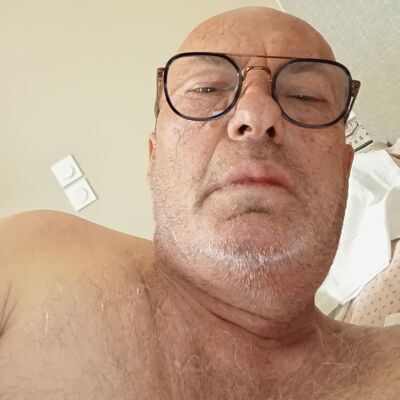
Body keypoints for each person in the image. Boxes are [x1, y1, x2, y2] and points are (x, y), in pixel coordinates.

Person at [0, 6, 399, 400]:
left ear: (344, 170)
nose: (257, 112)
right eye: (207, 89)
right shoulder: (30, 261)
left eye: (304, 96)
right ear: (153, 157)